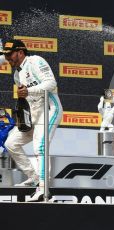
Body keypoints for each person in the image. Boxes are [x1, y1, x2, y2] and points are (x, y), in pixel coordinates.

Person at [1, 39, 63, 201]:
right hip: (34, 113)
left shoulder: (35, 61)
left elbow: (51, 83)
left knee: (40, 146)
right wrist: (24, 117)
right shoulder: (17, 74)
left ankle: (43, 189)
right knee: (10, 143)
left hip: (50, 109)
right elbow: (26, 98)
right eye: (6, 55)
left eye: (10, 55)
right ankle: (34, 177)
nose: (8, 59)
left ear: (20, 52)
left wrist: (28, 91)